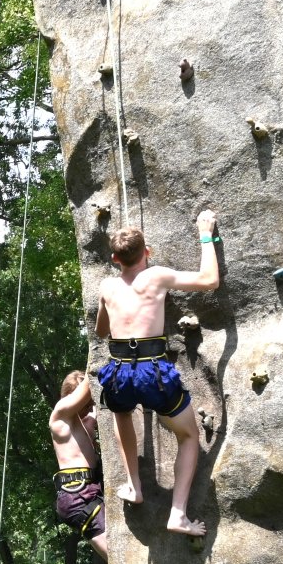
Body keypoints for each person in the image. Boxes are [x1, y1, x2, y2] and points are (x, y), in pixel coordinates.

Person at [94, 211, 222, 537]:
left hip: (119, 373)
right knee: (189, 436)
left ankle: (134, 485)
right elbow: (209, 280)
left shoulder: (107, 287)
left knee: (120, 412)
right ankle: (178, 514)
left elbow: (101, 330)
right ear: (146, 253)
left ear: (114, 259)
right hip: (153, 372)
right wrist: (206, 233)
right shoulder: (157, 277)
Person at [50, 368, 109, 560]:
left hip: (90, 490)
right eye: (85, 404)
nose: (89, 408)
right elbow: (89, 382)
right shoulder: (59, 417)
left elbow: (91, 419)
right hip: (78, 496)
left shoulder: (85, 423)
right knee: (117, 557)